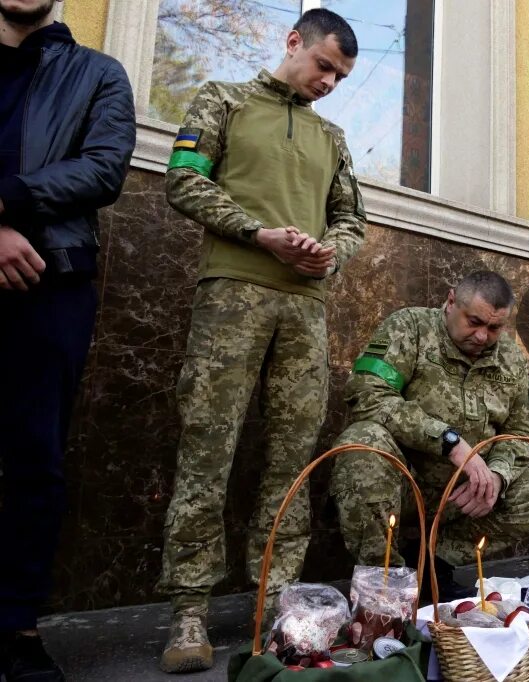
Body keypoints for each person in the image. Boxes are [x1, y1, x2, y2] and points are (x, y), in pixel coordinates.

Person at [156, 9, 366, 674]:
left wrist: (330, 254)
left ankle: (278, 602)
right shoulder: (223, 100)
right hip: (232, 295)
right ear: (293, 41)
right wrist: (257, 233)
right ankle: (188, 611)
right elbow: (185, 179)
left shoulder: (331, 136)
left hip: (305, 309)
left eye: (341, 75)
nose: (329, 81)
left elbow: (351, 219)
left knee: (292, 458)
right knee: (207, 447)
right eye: (324, 65)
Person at [0, 0, 135, 679]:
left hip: (51, 283)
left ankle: (16, 631)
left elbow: (105, 168)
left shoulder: (98, 73)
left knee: (35, 460)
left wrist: (11, 202)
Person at [331, 272, 529, 599]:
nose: (482, 336)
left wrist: (497, 476)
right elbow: (368, 394)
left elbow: (520, 434)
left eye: (494, 328)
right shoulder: (409, 328)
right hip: (401, 484)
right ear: (451, 301)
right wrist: (449, 442)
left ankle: (429, 561)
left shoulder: (511, 359)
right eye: (474, 321)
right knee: (363, 442)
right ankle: (386, 586)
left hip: (463, 495)